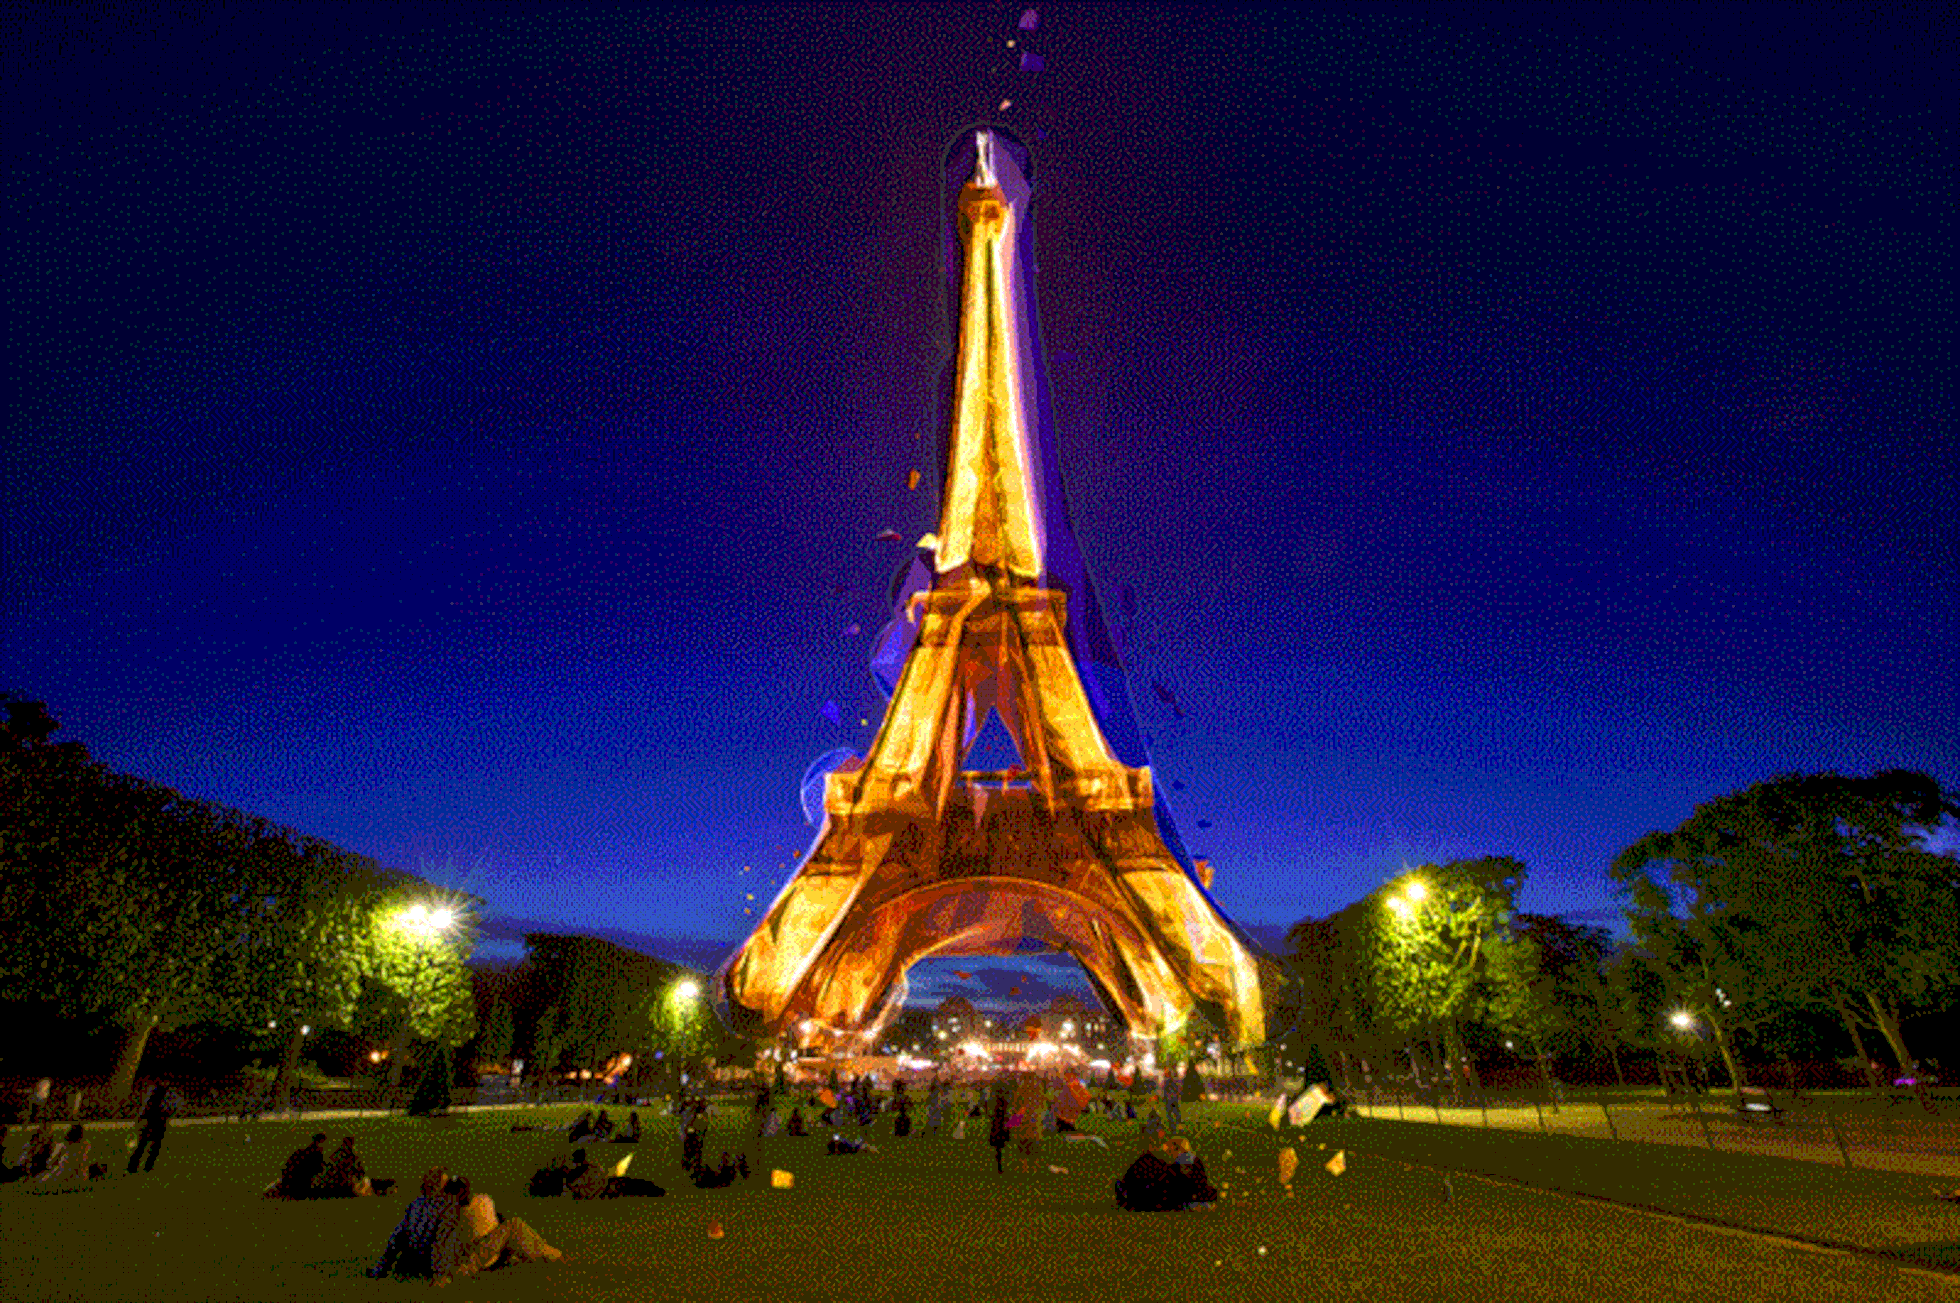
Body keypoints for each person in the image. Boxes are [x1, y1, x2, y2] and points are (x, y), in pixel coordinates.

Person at [430, 1174, 563, 1286]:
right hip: (485, 1256)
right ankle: (548, 1253)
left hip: (480, 1254)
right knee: (514, 1225)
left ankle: (543, 1254)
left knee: (511, 1229)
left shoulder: (450, 1214)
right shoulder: (482, 1201)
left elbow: (445, 1243)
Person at [368, 1167, 456, 1280]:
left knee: (399, 1235)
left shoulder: (420, 1204)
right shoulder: (441, 1206)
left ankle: (380, 1269)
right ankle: (381, 1269)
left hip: (419, 1260)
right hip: (425, 1262)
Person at [566, 1147, 667, 1199]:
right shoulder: (583, 1170)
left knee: (631, 1184)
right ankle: (655, 1190)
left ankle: (655, 1190)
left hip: (605, 1186)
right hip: (605, 1188)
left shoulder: (576, 1172)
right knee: (631, 1185)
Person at [315, 1135, 395, 1197]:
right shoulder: (345, 1158)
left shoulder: (344, 1157)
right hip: (350, 1184)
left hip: (353, 1183)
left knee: (367, 1183)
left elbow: (358, 1173)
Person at [127, 1082, 175, 1175]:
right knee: (151, 1147)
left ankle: (135, 1167)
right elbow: (164, 1111)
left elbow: (145, 1111)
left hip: (153, 1124)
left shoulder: (154, 1098)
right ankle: (144, 1167)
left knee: (145, 1146)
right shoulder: (158, 1099)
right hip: (156, 1124)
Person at [264, 1133, 329, 1199]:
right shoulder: (310, 1154)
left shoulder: (305, 1153)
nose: (322, 1146)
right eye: (321, 1143)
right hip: (298, 1183)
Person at [34, 1124, 95, 1190]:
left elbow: (52, 1162)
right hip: (79, 1178)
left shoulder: (65, 1147)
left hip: (65, 1174)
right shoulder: (85, 1146)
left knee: (42, 1181)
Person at [987, 1081, 1011, 1174]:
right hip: (1001, 1125)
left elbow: (991, 1112)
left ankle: (999, 1163)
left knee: (999, 1147)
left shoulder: (995, 1101)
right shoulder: (1004, 1102)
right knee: (1001, 1146)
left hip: (997, 1125)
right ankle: (1000, 1164)